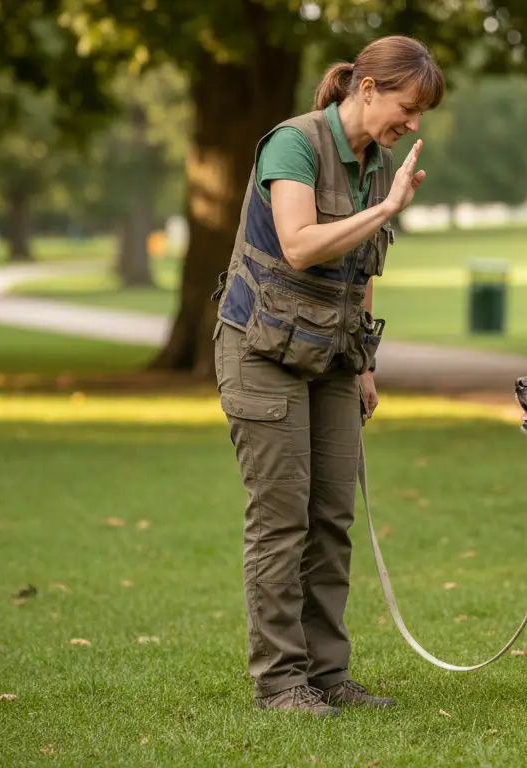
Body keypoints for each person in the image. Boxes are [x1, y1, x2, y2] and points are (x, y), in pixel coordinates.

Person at [209, 35, 443, 718]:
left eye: (421, 112)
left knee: (332, 518)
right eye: (407, 105)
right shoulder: (294, 145)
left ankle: (328, 675)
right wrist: (385, 208)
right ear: (365, 88)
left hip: (334, 357)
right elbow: (301, 244)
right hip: (262, 349)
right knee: (281, 520)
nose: (412, 123)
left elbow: (363, 268)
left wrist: (365, 363)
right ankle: (281, 682)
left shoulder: (379, 161)